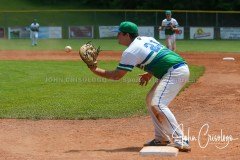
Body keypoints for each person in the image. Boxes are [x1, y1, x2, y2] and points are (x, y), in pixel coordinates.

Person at [87, 21, 190, 152]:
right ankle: (161, 138)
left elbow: (116, 75)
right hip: (175, 69)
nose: (117, 36)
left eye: (119, 33)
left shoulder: (131, 51)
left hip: (174, 72)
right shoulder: (146, 39)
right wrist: (149, 73)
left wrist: (94, 69)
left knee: (157, 104)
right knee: (150, 100)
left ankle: (181, 140)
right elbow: (159, 57)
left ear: (127, 35)